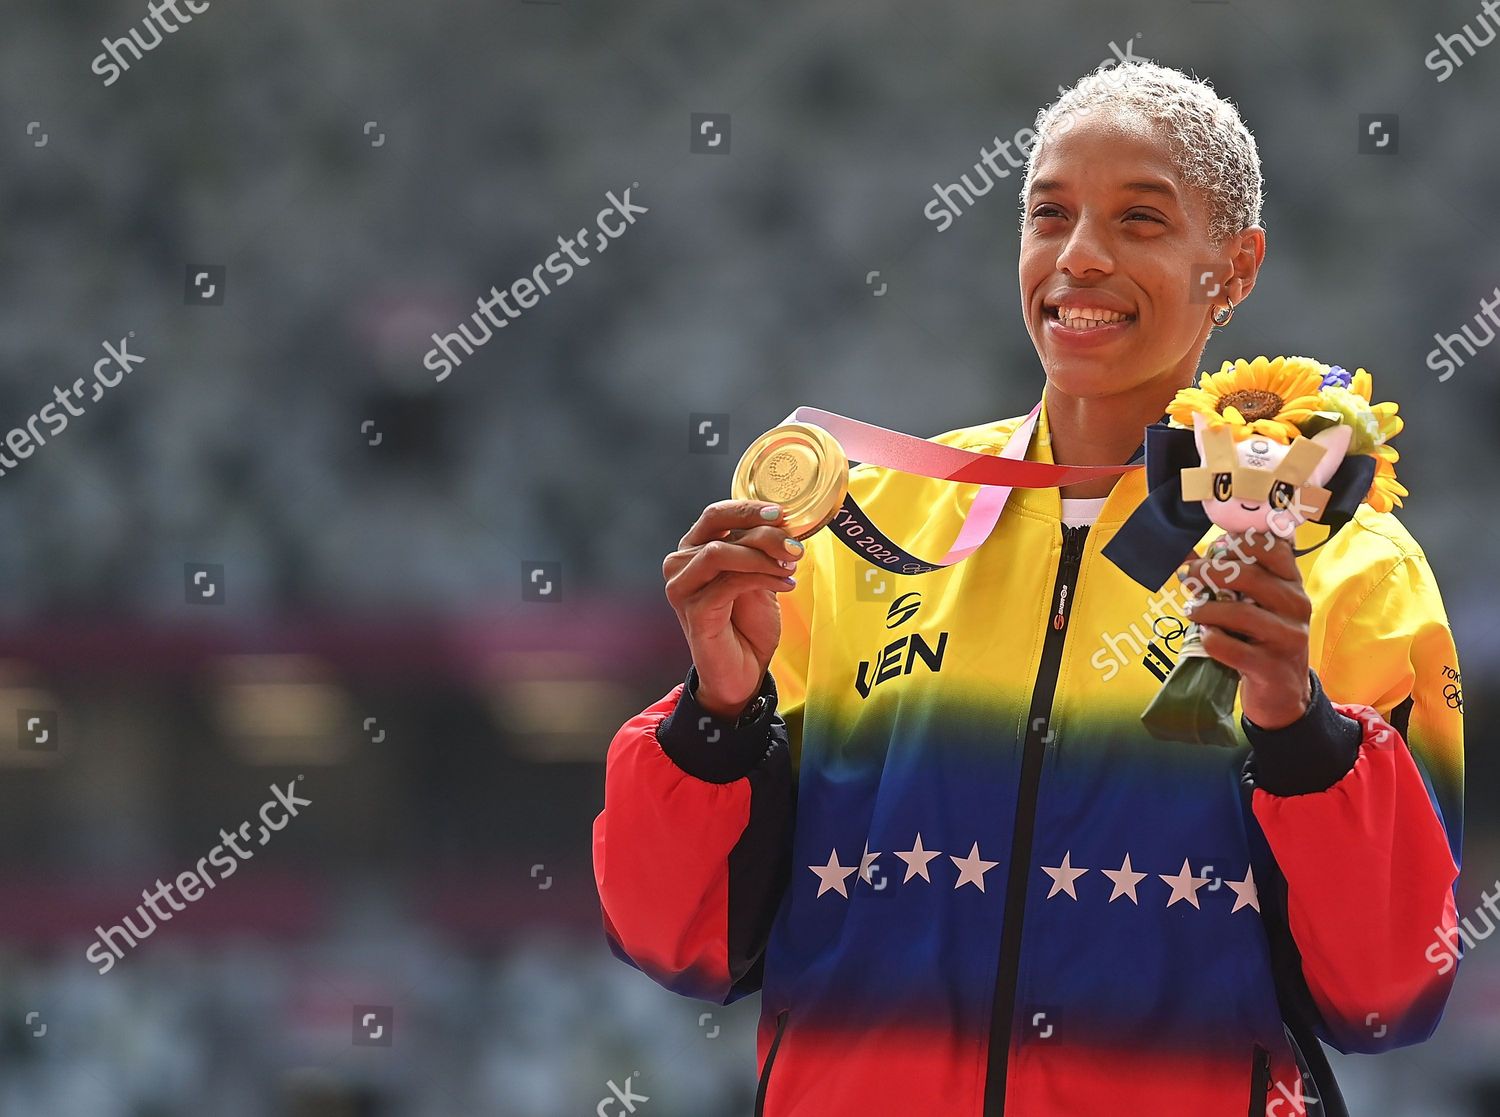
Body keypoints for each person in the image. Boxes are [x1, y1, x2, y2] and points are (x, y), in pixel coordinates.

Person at [591, 60, 1464, 1116]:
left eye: (1141, 220)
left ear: (1232, 269)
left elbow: (1387, 993)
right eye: (1050, 214)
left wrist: (1301, 734)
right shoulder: (859, 530)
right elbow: (677, 942)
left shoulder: (1343, 561)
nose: (1079, 256)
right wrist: (718, 718)